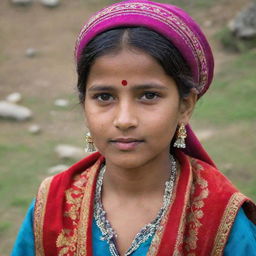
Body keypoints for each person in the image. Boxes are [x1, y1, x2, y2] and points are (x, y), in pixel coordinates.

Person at [12, 0, 256, 255]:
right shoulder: (52, 207)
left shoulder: (220, 219)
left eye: (148, 95)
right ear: (84, 104)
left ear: (185, 106)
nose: (125, 119)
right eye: (104, 97)